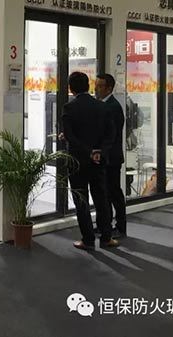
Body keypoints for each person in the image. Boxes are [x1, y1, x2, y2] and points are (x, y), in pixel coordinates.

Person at [62, 72, 118, 251]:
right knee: (101, 199)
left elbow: (70, 136)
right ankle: (106, 237)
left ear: (71, 89)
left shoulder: (69, 108)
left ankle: (88, 239)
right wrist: (99, 152)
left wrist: (87, 151)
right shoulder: (102, 107)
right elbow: (111, 133)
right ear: (88, 86)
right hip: (98, 161)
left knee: (82, 201)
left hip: (77, 162)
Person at [95, 73, 127, 238]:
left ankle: (120, 226)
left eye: (100, 86)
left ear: (109, 89)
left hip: (111, 158)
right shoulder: (102, 105)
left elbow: (111, 135)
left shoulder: (113, 107)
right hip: (104, 157)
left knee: (114, 193)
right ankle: (104, 225)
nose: (96, 89)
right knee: (104, 193)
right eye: (96, 85)